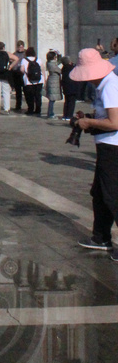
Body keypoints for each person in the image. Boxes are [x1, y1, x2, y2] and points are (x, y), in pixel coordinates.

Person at [72, 48, 118, 257]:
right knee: (99, 194)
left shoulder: (110, 86)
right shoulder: (105, 85)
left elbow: (114, 122)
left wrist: (88, 122)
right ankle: (101, 237)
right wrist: (90, 118)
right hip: (106, 145)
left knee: (112, 195)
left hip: (113, 147)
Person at [21, 47, 44, 116]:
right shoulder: (39, 59)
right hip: (39, 80)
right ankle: (38, 109)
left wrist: (25, 73)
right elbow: (42, 69)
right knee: (38, 95)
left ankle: (30, 109)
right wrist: (44, 79)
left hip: (28, 81)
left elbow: (22, 70)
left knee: (29, 96)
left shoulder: (24, 60)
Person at [61, 55, 80, 121]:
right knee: (71, 102)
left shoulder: (63, 68)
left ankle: (65, 115)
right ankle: (69, 115)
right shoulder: (72, 68)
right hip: (72, 87)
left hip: (66, 87)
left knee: (66, 101)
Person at [45, 51, 62, 119]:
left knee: (52, 99)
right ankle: (50, 113)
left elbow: (59, 61)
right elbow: (59, 70)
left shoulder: (49, 63)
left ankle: (50, 112)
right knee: (52, 99)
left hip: (52, 82)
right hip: (53, 83)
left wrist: (59, 54)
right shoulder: (52, 65)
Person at [10, 41, 27, 112]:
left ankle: (29, 105)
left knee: (26, 90)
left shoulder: (26, 54)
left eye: (21, 47)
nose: (20, 48)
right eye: (19, 47)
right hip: (16, 73)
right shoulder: (14, 54)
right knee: (18, 91)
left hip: (24, 73)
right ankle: (18, 105)